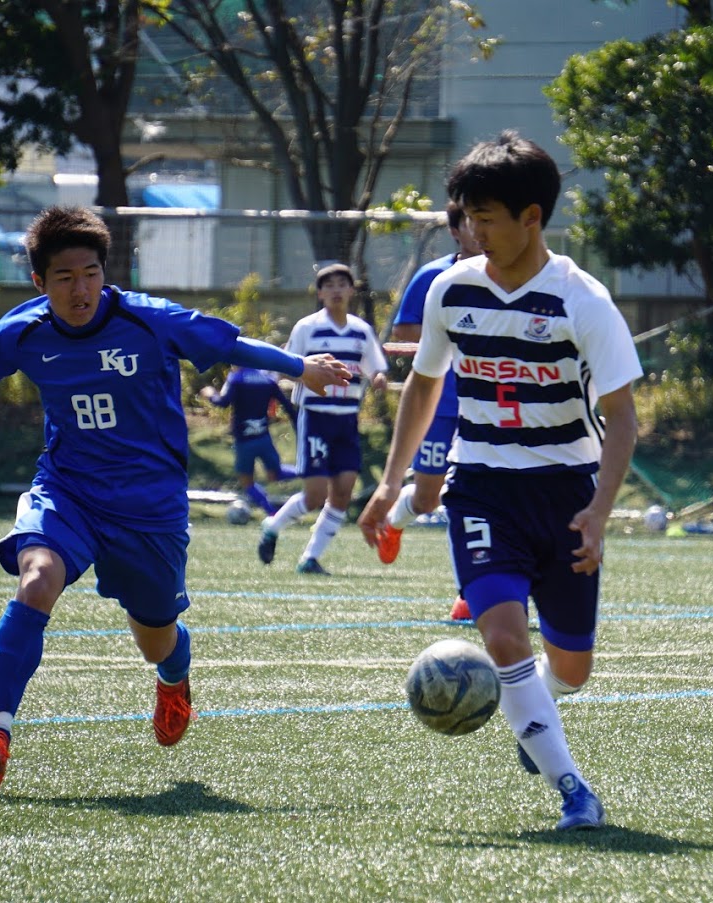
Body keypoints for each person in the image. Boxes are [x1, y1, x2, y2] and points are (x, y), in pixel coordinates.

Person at [0, 206, 349, 789]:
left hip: (149, 507)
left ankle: (173, 674)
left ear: (104, 274)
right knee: (37, 578)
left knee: (155, 638)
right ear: (40, 283)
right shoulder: (23, 331)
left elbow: (232, 344)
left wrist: (300, 367)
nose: (80, 289)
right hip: (68, 490)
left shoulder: (149, 320)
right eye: (64, 278)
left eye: (90, 274)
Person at [359, 131, 641, 831]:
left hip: (568, 490)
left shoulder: (583, 301)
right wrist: (390, 484)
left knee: (570, 668)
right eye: (465, 216)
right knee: (507, 640)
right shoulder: (451, 290)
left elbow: (624, 419)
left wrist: (600, 513)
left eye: (485, 217)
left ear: (531, 219)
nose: (471, 231)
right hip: (482, 486)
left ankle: (536, 715)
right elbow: (422, 389)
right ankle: (575, 791)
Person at [373, 200, 481, 619]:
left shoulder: (504, 276)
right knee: (428, 495)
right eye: (474, 221)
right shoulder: (433, 275)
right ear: (456, 231)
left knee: (462, 496)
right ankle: (396, 521)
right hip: (438, 403)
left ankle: (468, 595)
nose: (482, 231)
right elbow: (404, 330)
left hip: (484, 405)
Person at [257, 263, 388, 574]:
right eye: (329, 285)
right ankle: (272, 527)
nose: (336, 290)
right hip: (316, 418)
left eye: (342, 284)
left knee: (343, 491)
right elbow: (288, 365)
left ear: (352, 290)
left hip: (347, 421)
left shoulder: (361, 330)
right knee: (315, 495)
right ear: (319, 293)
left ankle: (311, 557)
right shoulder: (307, 327)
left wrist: (380, 377)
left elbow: (375, 366)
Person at [200, 365, 297, 514]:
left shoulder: (236, 379)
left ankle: (272, 513)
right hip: (263, 437)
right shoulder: (267, 379)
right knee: (275, 474)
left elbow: (223, 402)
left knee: (247, 483)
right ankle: (311, 472)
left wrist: (210, 393)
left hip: (244, 440)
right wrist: (298, 428)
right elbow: (287, 407)